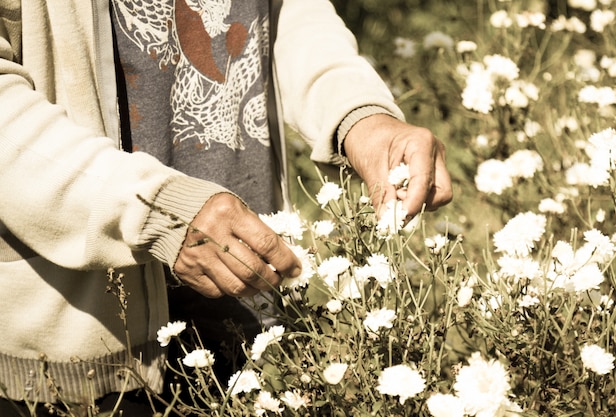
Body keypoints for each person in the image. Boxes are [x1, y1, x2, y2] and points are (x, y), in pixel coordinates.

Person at [0, 0, 452, 415]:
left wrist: (360, 115)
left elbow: (284, 16)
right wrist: (156, 210)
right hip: (82, 348)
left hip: (246, 317)